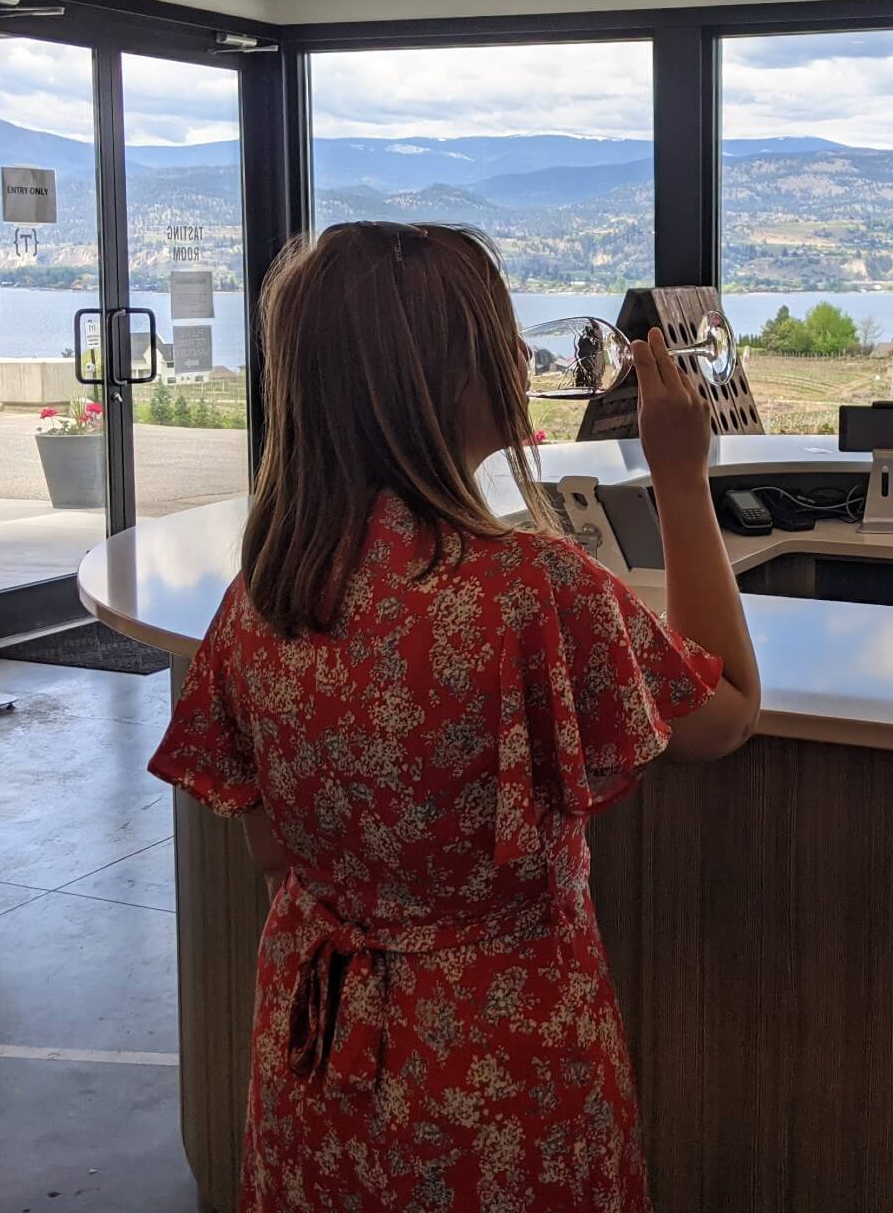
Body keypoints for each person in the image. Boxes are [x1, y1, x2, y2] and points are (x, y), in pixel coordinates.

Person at [148, 222, 760, 1213]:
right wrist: (682, 478)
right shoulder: (536, 591)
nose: (523, 357)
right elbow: (722, 712)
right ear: (442, 382)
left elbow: (271, 855)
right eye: (499, 336)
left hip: (318, 1047)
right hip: (506, 1060)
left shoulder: (259, 600)